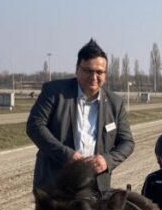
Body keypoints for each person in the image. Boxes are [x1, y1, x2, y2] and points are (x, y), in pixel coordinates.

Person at [26, 38, 134, 192]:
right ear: (77, 69)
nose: (94, 77)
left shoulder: (115, 103)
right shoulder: (54, 92)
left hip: (94, 187)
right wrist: (66, 155)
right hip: (55, 185)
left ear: (105, 73)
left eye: (99, 72)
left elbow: (127, 143)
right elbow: (35, 126)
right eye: (88, 71)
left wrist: (106, 160)